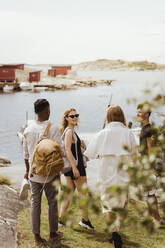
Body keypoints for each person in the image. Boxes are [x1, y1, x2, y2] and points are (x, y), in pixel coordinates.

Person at [84, 105, 137, 248]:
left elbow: (90, 153)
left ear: (108, 117)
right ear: (122, 116)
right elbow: (134, 155)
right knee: (122, 204)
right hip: (123, 174)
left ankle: (114, 231)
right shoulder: (128, 133)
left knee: (107, 205)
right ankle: (117, 229)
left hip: (106, 174)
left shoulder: (103, 133)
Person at [23, 99, 63, 246]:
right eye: (49, 110)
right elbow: (61, 151)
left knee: (35, 204)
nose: (49, 112)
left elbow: (26, 154)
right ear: (47, 111)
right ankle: (53, 233)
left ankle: (36, 237)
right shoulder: (53, 128)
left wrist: (27, 171)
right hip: (49, 173)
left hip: (34, 173)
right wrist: (59, 172)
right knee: (52, 202)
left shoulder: (28, 129)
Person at [59, 108, 94, 229]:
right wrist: (75, 168)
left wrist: (80, 143)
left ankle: (61, 219)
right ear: (66, 118)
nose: (74, 118)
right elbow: (68, 150)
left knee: (68, 194)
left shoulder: (70, 131)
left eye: (76, 115)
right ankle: (85, 220)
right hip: (75, 166)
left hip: (70, 166)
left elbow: (71, 148)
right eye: (72, 116)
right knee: (83, 194)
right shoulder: (69, 131)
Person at [137, 103, 162, 223]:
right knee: (147, 192)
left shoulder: (149, 129)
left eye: (140, 112)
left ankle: (157, 218)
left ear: (147, 114)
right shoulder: (144, 128)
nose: (138, 114)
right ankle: (150, 215)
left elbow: (151, 148)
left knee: (150, 193)